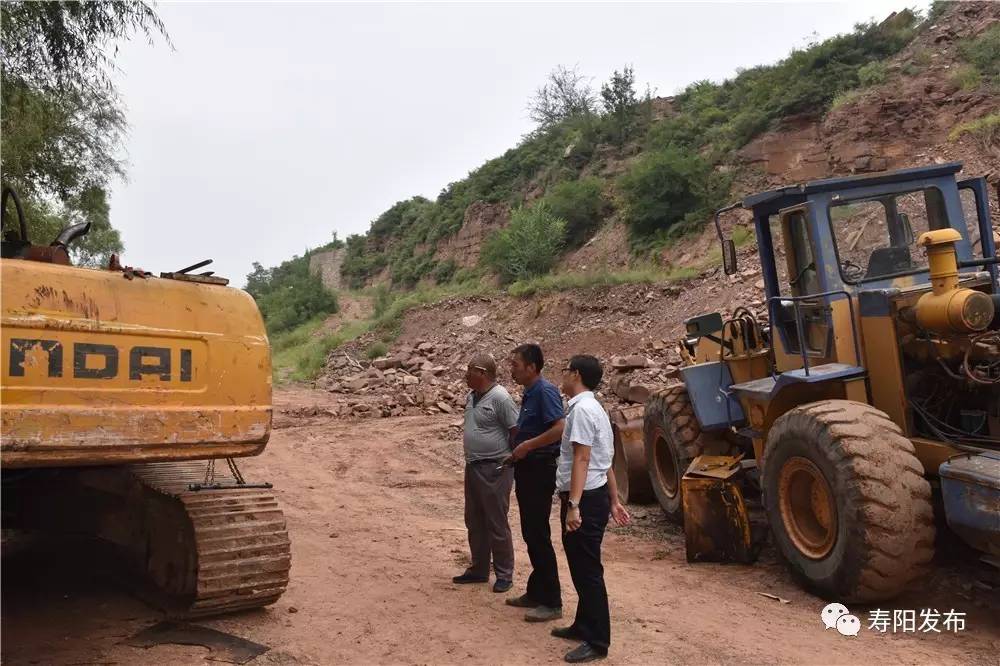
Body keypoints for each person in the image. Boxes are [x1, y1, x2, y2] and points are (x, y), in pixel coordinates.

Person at [551, 355, 630, 663]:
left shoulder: (583, 411)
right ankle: (583, 624)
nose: (562, 376)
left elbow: (583, 460)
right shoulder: (593, 407)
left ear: (576, 374)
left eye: (565, 370)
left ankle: (597, 641)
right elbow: (604, 460)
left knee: (587, 571)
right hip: (594, 497)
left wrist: (573, 505)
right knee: (582, 566)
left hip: (583, 499)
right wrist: (613, 500)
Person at [505, 343, 566, 622]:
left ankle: (552, 601)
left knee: (538, 534)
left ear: (532, 367)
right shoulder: (530, 394)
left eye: (516, 364)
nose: (512, 369)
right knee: (531, 532)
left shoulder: (545, 391)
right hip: (528, 469)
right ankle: (537, 590)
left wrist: (528, 445)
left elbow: (559, 428)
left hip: (540, 469)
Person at [452, 354, 520, 593]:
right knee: (474, 519)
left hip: (495, 468)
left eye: (469, 370)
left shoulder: (501, 398)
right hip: (473, 466)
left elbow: (515, 431)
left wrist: (511, 461)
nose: (465, 374)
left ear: (481, 372)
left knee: (496, 521)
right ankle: (479, 569)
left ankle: (504, 574)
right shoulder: (472, 397)